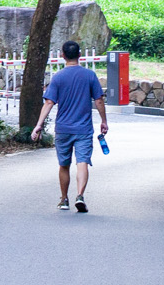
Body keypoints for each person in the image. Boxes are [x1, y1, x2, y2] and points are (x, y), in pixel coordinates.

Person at [32, 40, 108, 213]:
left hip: (63, 129)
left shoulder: (58, 77)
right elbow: (99, 100)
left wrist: (39, 125)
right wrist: (104, 121)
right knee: (82, 163)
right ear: (80, 55)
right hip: (83, 129)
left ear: (62, 56)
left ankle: (64, 199)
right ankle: (80, 195)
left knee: (64, 164)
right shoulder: (89, 75)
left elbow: (49, 102)